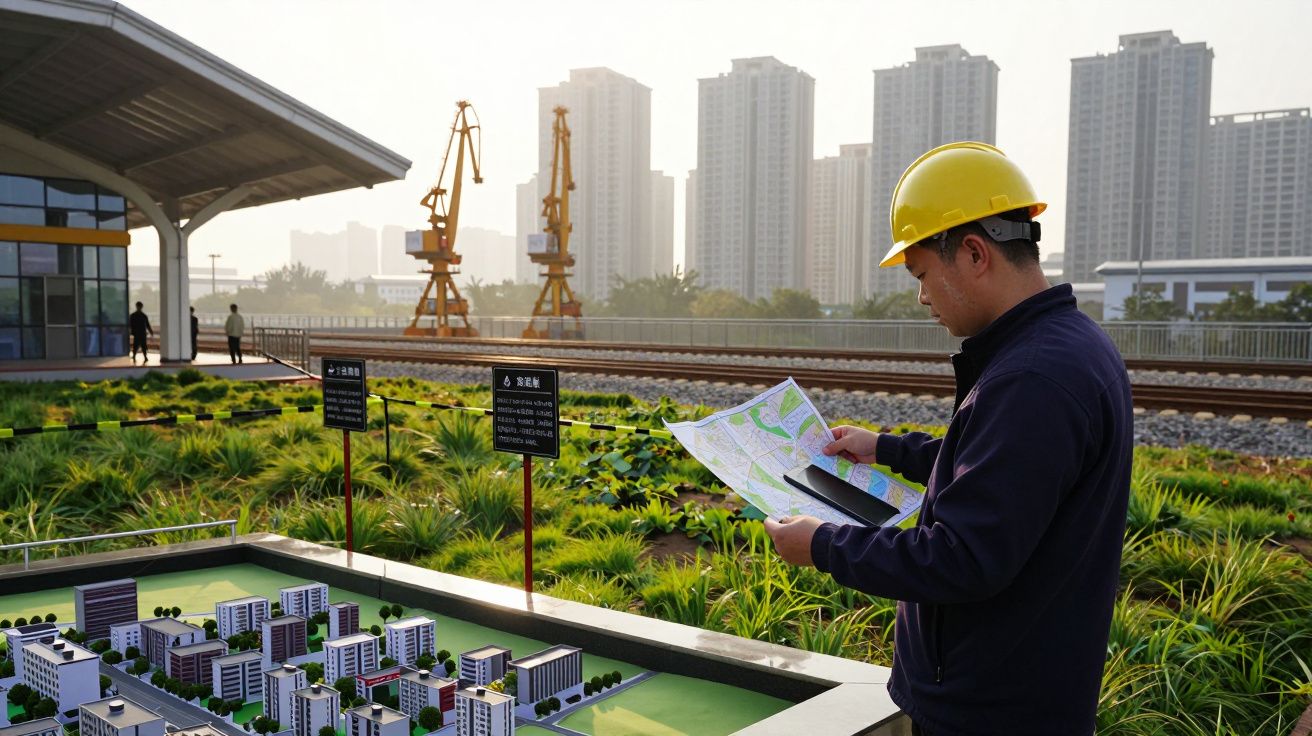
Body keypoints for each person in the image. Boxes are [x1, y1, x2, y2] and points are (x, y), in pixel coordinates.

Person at [763, 142, 1132, 736]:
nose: (922, 296)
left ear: (974, 253)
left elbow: (963, 558)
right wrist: (884, 447)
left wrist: (825, 546)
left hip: (992, 710)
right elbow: (1002, 472)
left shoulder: (1033, 378)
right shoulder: (1064, 346)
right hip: (1022, 687)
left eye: (922, 274)